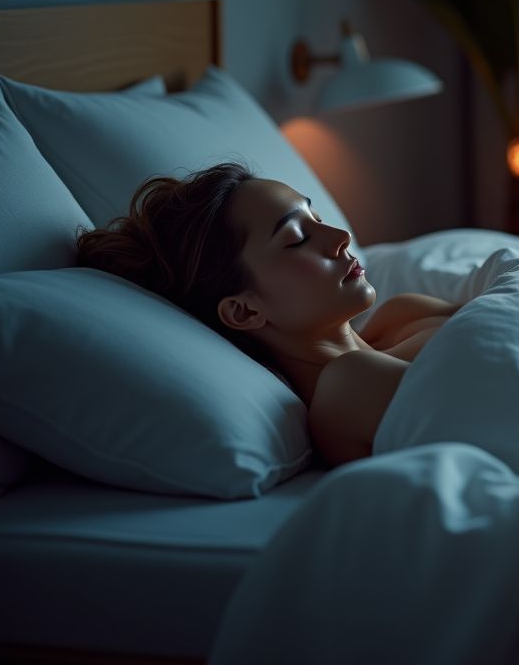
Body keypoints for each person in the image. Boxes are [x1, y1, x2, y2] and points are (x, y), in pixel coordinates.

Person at [76, 162, 460, 466]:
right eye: (297, 239)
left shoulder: (402, 316)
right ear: (244, 310)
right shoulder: (345, 390)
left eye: (319, 219)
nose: (340, 237)